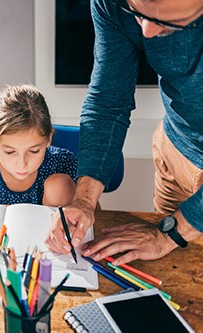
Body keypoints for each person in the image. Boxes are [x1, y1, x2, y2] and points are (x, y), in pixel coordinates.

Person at [46, 0, 203, 266]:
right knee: (169, 278)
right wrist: (83, 200)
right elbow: (108, 101)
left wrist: (169, 235)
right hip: (173, 149)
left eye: (169, 23)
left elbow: (168, 236)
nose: (147, 32)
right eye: (137, 12)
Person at [0, 84, 77, 206]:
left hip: (56, 224)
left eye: (34, 151)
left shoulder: (64, 163)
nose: (22, 164)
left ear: (49, 138)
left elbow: (92, 212)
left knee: (59, 184)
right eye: (10, 152)